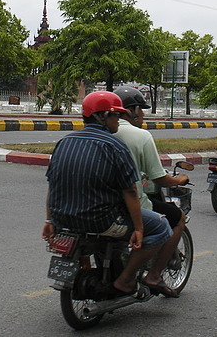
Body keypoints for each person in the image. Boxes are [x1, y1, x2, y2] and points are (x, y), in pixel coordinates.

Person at [41, 91, 172, 299]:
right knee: (161, 227)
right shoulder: (114, 146)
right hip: (101, 221)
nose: (118, 121)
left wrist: (49, 219)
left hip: (62, 219)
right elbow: (130, 191)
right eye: (115, 116)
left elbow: (53, 184)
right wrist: (138, 228)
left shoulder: (64, 142)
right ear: (102, 117)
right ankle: (126, 280)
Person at [112, 86, 188, 298]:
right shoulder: (141, 136)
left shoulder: (98, 134)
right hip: (129, 203)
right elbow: (158, 178)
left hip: (99, 202)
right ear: (131, 110)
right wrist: (179, 179)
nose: (143, 115)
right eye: (142, 110)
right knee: (174, 218)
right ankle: (153, 275)